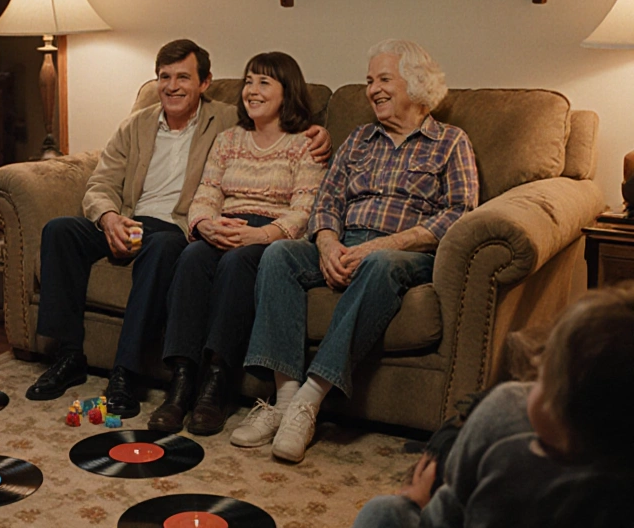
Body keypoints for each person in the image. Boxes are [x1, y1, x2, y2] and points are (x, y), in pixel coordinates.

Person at [24, 39, 331, 418]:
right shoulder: (136, 125)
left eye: (183, 77)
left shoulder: (223, 119)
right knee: (59, 231)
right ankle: (68, 355)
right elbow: (101, 183)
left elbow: (275, 124)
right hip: (129, 219)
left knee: (168, 249)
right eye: (164, 77)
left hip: (174, 227)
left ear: (205, 83)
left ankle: (126, 373)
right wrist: (109, 218)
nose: (172, 87)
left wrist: (319, 131)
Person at [231, 39, 479, 462]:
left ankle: (310, 399)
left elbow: (461, 212)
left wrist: (386, 243)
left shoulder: (451, 142)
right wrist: (327, 242)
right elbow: (327, 200)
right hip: (345, 242)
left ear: (416, 84)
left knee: (379, 263)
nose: (372, 90)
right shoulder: (360, 138)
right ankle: (284, 401)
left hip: (404, 252)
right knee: (279, 254)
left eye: (383, 79)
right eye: (369, 81)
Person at [146, 52, 327, 435]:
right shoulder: (228, 139)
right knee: (192, 256)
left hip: (271, 234)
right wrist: (206, 225)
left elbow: (304, 210)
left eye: (264, 82)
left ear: (287, 91)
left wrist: (259, 235)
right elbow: (207, 191)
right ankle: (181, 382)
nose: (252, 91)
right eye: (248, 81)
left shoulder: (304, 145)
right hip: (225, 225)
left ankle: (216, 384)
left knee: (235, 263)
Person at [351, 284, 634, 528]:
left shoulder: (507, 433)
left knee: (384, 511)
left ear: (560, 405)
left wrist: (418, 504)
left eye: (540, 374)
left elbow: (445, 515)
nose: (529, 377)